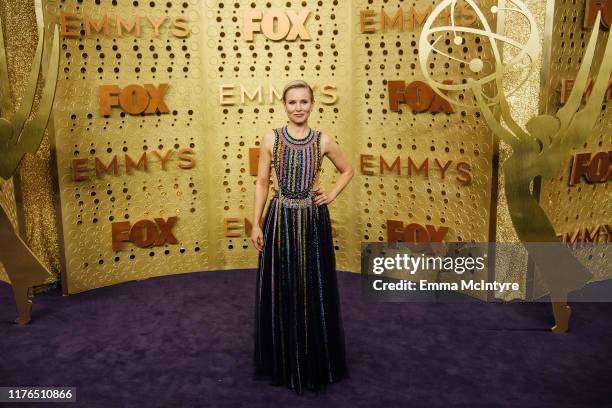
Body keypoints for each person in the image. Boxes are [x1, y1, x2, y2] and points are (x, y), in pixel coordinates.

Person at [251, 80, 354, 394]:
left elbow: (348, 169)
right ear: (284, 105)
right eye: (292, 102)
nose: (298, 107)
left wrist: (331, 194)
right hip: (279, 218)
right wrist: (255, 223)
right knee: (282, 284)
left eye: (304, 102)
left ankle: (313, 360)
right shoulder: (271, 138)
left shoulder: (323, 141)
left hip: (312, 219)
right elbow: (262, 183)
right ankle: (282, 360)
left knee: (312, 286)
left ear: (312, 104)